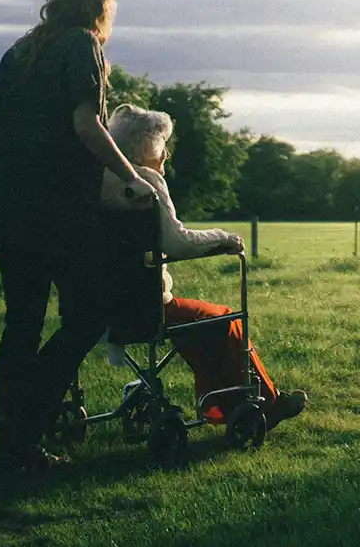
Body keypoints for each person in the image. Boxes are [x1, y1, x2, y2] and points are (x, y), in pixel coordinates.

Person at [0, 0, 158, 472]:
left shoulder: (17, 52)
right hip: (55, 212)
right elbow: (87, 125)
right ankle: (26, 421)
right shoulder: (82, 45)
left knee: (22, 323)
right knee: (88, 316)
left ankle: (13, 442)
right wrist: (132, 176)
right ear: (99, 2)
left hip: (8, 206)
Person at [100, 102, 307, 430]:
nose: (166, 153)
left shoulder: (102, 184)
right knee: (223, 319)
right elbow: (177, 243)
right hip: (146, 306)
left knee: (199, 325)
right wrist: (224, 239)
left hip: (103, 306)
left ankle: (222, 407)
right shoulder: (146, 183)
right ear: (143, 148)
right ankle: (266, 402)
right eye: (162, 145)